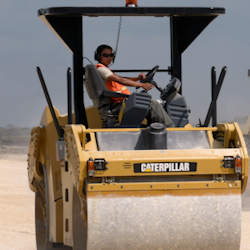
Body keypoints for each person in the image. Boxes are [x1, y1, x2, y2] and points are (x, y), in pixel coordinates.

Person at [94, 44, 174, 127]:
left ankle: (156, 129)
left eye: (111, 55)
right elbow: (121, 80)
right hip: (119, 105)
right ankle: (171, 130)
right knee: (151, 103)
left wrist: (137, 79)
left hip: (121, 103)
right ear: (99, 56)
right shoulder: (101, 69)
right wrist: (141, 84)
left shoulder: (105, 70)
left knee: (150, 102)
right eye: (106, 55)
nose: (109, 58)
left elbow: (121, 79)